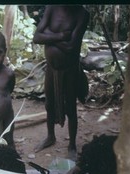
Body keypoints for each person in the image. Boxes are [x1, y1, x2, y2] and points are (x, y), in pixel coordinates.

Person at [32, 5, 90, 160]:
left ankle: (72, 145)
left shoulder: (82, 14)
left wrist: (49, 36)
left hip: (70, 70)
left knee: (70, 108)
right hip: (52, 68)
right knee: (49, 104)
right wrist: (61, 36)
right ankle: (50, 136)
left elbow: (72, 47)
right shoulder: (52, 7)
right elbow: (37, 37)